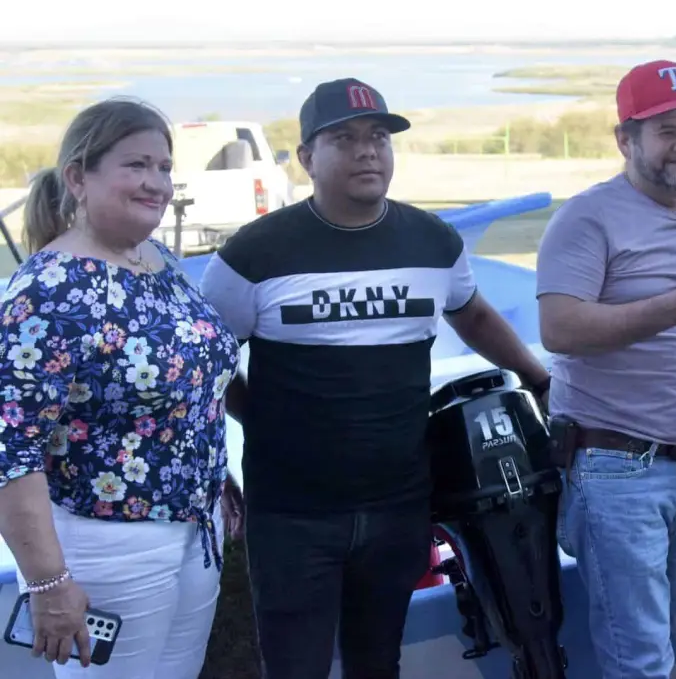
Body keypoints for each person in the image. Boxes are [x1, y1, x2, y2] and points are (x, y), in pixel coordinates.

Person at [198, 78, 551, 679]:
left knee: (377, 663)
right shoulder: (253, 254)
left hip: (398, 504)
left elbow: (473, 314)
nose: (368, 150)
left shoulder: (433, 242)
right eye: (345, 138)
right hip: (292, 514)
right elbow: (205, 363)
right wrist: (258, 418)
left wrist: (538, 379)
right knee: (295, 667)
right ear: (308, 157)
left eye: (379, 137)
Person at [0, 97, 242, 678]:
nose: (156, 182)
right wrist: (49, 584)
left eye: (163, 167)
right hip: (109, 544)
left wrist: (217, 476)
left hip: (195, 529)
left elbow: (192, 390)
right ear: (78, 178)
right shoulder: (50, 290)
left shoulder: (157, 260)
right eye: (136, 165)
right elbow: (10, 447)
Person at [535, 59, 676, 679]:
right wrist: (672, 308)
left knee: (659, 644)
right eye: (667, 131)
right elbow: (559, 329)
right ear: (625, 140)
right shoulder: (585, 219)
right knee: (640, 659)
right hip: (614, 468)